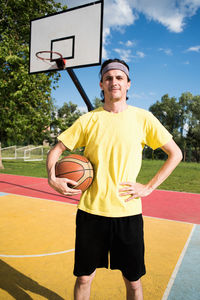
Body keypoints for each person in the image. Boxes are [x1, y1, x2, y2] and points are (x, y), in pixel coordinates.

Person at [46, 58, 183, 300]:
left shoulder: (144, 118)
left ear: (128, 84)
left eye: (119, 77)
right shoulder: (89, 120)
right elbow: (56, 150)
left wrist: (149, 187)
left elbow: (176, 153)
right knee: (84, 278)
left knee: (133, 283)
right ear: (101, 84)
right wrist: (52, 178)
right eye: (108, 78)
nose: (114, 82)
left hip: (128, 213)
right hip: (91, 212)